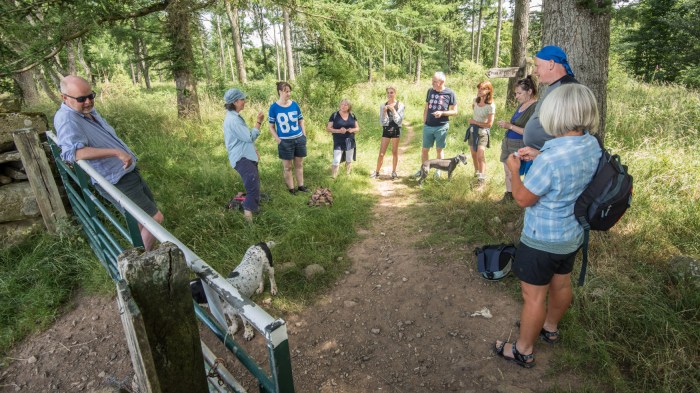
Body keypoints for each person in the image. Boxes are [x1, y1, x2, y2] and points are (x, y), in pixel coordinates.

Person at [494, 84, 602, 368]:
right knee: (561, 283)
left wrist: (514, 170)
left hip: (541, 239)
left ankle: (522, 350)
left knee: (533, 296)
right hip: (571, 235)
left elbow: (522, 198)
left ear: (557, 115)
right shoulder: (591, 144)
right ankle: (550, 328)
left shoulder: (552, 159)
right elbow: (571, 170)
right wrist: (540, 156)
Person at [54, 75, 164, 251]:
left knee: (140, 221)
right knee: (154, 219)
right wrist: (116, 152)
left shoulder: (84, 111)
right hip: (116, 178)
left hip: (125, 171)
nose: (88, 102)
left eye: (91, 96)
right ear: (64, 97)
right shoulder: (67, 119)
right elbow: (72, 153)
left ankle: (143, 257)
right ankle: (141, 263)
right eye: (82, 99)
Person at [523, 45, 579, 150]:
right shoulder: (555, 86)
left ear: (551, 64)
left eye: (537, 66)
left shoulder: (568, 88)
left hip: (554, 160)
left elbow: (572, 132)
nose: (534, 71)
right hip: (541, 155)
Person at [223, 88, 265, 222]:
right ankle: (249, 226)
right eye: (242, 99)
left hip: (246, 156)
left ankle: (254, 211)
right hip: (242, 159)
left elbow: (243, 139)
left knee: (255, 185)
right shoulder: (233, 120)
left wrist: (255, 150)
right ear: (235, 102)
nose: (244, 101)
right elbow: (249, 137)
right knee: (252, 189)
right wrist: (259, 122)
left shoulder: (234, 116)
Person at [496, 76, 538, 202]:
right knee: (507, 171)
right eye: (516, 93)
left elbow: (530, 132)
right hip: (508, 142)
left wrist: (510, 126)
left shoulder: (534, 107)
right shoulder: (521, 105)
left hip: (520, 144)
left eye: (519, 93)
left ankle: (518, 196)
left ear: (529, 91)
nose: (516, 96)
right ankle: (509, 195)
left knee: (514, 172)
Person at [415, 71, 458, 179]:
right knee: (425, 149)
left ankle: (438, 172)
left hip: (441, 126)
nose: (432, 83)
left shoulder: (450, 93)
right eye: (432, 80)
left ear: (441, 82)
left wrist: (442, 113)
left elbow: (455, 111)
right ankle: (423, 170)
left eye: (434, 81)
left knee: (439, 149)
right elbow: (427, 106)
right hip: (428, 126)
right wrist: (424, 120)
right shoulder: (430, 91)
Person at [268, 81, 308, 194]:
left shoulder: (294, 104)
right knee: (287, 167)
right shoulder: (273, 108)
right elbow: (271, 126)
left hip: (299, 139)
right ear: (280, 92)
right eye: (286, 91)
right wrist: (278, 139)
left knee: (299, 165)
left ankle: (301, 186)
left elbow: (301, 120)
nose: (288, 93)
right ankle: (291, 189)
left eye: (289, 91)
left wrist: (304, 135)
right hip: (285, 142)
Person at [370, 86, 405, 179]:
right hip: (386, 130)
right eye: (388, 93)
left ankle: (394, 172)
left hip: (396, 130)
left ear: (395, 93)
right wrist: (385, 112)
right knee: (381, 153)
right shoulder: (383, 105)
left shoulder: (400, 105)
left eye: (391, 92)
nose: (389, 94)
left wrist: (393, 110)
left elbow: (399, 121)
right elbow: (383, 122)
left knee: (394, 152)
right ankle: (377, 172)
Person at [465, 81, 496, 185]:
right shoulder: (475, 101)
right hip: (473, 131)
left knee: (480, 156)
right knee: (474, 155)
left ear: (488, 91)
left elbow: (489, 124)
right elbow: (475, 110)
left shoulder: (491, 106)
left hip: (483, 133)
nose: (479, 90)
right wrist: (474, 123)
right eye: (479, 88)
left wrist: (475, 122)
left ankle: (481, 180)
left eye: (482, 89)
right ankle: (477, 173)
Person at [326, 99, 360, 178]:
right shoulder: (334, 115)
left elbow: (357, 128)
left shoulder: (352, 115)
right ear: (340, 105)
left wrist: (352, 130)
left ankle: (347, 175)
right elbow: (328, 128)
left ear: (349, 107)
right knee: (336, 159)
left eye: (346, 105)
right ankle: (333, 177)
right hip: (338, 140)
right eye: (342, 104)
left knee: (349, 159)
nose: (343, 106)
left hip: (349, 140)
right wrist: (339, 130)